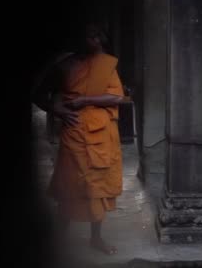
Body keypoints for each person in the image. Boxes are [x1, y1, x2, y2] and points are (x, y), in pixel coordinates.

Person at [31, 23, 129, 255]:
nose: (95, 41)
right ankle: (58, 240)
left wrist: (84, 101)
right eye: (89, 36)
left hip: (102, 134)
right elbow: (38, 95)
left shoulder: (107, 64)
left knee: (98, 188)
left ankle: (96, 238)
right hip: (74, 135)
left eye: (98, 36)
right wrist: (58, 110)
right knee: (71, 187)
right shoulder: (65, 65)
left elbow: (116, 98)